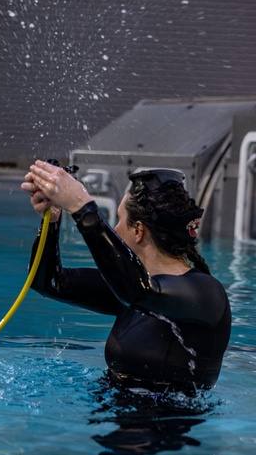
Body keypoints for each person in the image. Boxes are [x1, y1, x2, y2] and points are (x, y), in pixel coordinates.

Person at [22, 160, 231, 391]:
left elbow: (139, 291)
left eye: (120, 220)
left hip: (165, 423)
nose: (116, 229)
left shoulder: (207, 295)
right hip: (108, 415)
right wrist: (52, 219)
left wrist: (82, 206)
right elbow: (49, 282)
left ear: (138, 231)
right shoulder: (128, 288)